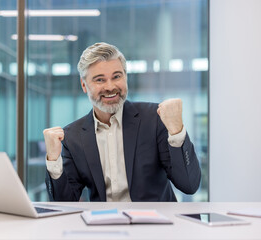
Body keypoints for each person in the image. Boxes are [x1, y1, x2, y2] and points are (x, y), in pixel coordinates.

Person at [43, 42, 201, 202]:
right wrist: (54, 160)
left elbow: (189, 185)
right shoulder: (73, 136)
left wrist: (177, 132)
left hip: (154, 223)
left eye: (117, 76)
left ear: (126, 77)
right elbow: (65, 201)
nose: (110, 87)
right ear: (84, 85)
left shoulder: (154, 119)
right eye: (99, 80)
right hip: (103, 224)